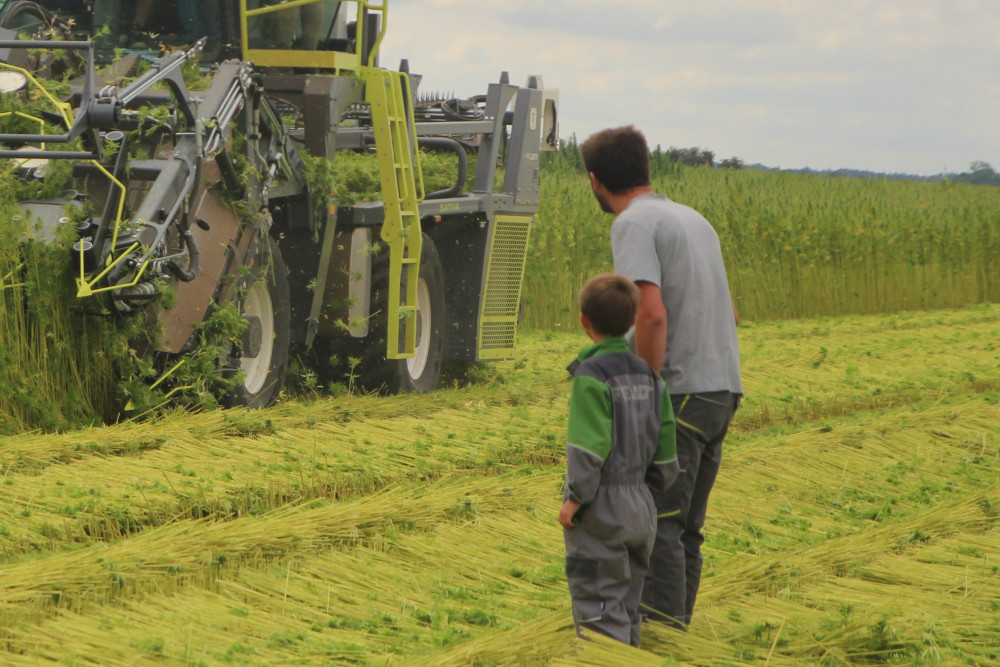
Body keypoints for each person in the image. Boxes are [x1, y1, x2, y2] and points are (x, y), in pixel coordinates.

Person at [580, 126, 743, 629]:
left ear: (594, 180)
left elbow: (649, 314)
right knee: (686, 528)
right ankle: (680, 631)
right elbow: (730, 315)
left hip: (681, 392)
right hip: (721, 388)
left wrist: (644, 394)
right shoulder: (694, 219)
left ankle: (663, 636)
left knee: (661, 526)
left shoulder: (635, 223)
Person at [559, 272, 679, 647]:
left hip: (602, 511)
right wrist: (648, 489)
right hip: (642, 508)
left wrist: (574, 500)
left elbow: (589, 448)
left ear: (584, 320)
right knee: (628, 607)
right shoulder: (650, 375)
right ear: (631, 323)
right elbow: (667, 448)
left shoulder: (591, 377)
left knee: (599, 612)